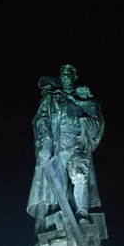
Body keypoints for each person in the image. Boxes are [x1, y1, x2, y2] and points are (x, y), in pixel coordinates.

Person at [27, 64, 105, 235]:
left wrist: (86, 122)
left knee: (79, 175)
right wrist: (46, 144)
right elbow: (42, 119)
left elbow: (98, 123)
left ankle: (82, 214)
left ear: (74, 77)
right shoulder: (52, 98)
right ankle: (62, 218)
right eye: (63, 74)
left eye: (69, 73)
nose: (66, 76)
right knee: (58, 187)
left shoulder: (84, 99)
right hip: (57, 149)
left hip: (77, 146)